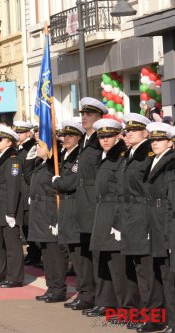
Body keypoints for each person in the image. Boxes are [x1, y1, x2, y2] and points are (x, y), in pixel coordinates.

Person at [87, 118, 140, 319]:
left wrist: (118, 223)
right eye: (101, 136)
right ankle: (107, 304)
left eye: (109, 136)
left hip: (113, 214)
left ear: (118, 136)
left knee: (119, 267)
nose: (105, 140)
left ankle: (128, 309)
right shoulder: (105, 156)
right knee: (104, 262)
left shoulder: (121, 157)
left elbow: (121, 192)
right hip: (102, 213)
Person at [120, 113, 164, 332]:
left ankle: (155, 317)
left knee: (148, 271)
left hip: (143, 217)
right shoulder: (132, 154)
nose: (128, 133)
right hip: (131, 217)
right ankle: (143, 313)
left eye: (133, 130)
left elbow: (149, 190)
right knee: (138, 269)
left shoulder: (147, 155)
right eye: (126, 130)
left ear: (146, 132)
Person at [74, 97, 106, 313]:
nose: (85, 117)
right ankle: (87, 294)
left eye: (90, 114)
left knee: (98, 256)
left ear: (100, 118)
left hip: (94, 204)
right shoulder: (84, 142)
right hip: (81, 204)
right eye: (83, 114)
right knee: (83, 252)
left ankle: (101, 298)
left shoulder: (100, 141)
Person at [52, 119, 85, 307]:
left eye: (70, 135)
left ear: (79, 138)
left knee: (79, 257)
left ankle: (85, 292)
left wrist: (56, 181)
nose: (65, 138)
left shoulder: (78, 157)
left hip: (74, 209)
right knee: (73, 254)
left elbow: (68, 183)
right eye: (64, 135)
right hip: (65, 209)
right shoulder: (65, 154)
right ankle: (83, 292)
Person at [30, 138, 68, 302]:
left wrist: (56, 218)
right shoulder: (41, 164)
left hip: (51, 212)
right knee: (46, 252)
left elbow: (56, 193)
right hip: (40, 213)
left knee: (55, 253)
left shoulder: (55, 166)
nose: (37, 148)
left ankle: (58, 289)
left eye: (41, 145)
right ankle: (51, 287)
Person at [146, 122, 175, 333]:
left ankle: (172, 323)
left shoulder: (171, 164)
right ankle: (163, 319)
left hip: (166, 226)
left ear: (170, 142)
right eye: (153, 140)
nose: (155, 143)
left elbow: (170, 203)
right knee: (159, 275)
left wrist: (169, 235)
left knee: (169, 277)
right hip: (155, 225)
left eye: (160, 140)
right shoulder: (154, 161)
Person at [0, 124, 23, 288]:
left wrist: (11, 212)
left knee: (12, 246)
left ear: (9, 142)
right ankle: (4, 273)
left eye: (0, 139)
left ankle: (15, 277)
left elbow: (13, 187)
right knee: (0, 243)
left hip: (7, 208)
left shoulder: (12, 161)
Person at [13, 121, 41, 267]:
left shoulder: (31, 147)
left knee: (31, 225)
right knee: (25, 225)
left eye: (21, 132)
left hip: (28, 190)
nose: (18, 135)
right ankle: (32, 253)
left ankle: (37, 253)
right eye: (17, 132)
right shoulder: (19, 147)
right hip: (21, 190)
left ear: (28, 133)